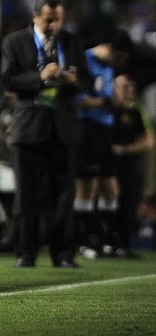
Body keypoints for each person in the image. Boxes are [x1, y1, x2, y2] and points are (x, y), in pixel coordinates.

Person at [1, 0, 87, 268]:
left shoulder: (72, 42)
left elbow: (85, 82)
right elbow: (8, 81)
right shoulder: (15, 42)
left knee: (63, 195)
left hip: (63, 127)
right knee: (27, 195)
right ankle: (26, 252)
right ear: (34, 16)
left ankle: (62, 254)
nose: (54, 26)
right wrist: (39, 77)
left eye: (59, 20)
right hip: (29, 127)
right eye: (49, 20)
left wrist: (74, 81)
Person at [74, 32, 131, 258]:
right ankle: (84, 239)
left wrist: (118, 99)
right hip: (87, 128)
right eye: (118, 58)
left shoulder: (109, 66)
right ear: (109, 47)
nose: (117, 64)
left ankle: (109, 240)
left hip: (106, 128)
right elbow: (79, 99)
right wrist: (107, 101)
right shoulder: (85, 59)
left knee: (110, 186)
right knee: (87, 185)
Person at [111, 73, 155, 256]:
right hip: (109, 166)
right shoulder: (108, 110)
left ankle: (125, 244)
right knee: (111, 203)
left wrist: (126, 149)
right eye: (124, 87)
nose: (128, 91)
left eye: (130, 87)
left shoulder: (136, 110)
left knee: (130, 203)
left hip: (131, 165)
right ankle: (105, 241)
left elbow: (149, 140)